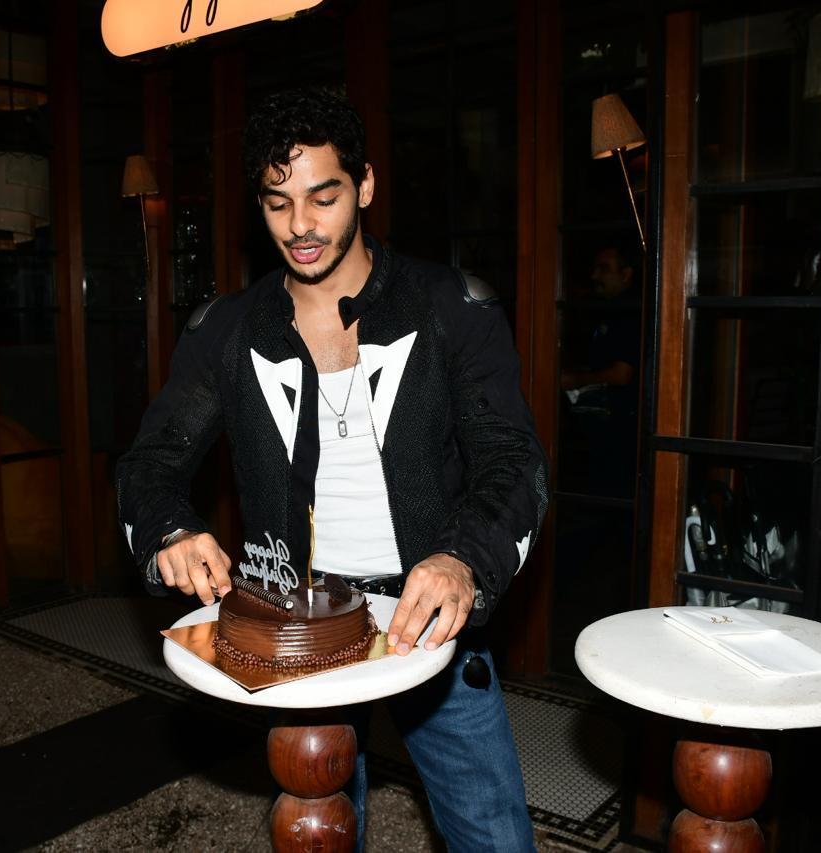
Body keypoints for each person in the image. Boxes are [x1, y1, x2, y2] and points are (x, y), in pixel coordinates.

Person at [116, 86, 546, 852]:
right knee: (315, 832)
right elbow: (149, 464)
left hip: (427, 617)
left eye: (324, 196)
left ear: (366, 185)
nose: (302, 227)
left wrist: (461, 559)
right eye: (278, 203)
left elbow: (515, 463)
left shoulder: (451, 306)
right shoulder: (227, 331)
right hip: (296, 619)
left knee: (496, 838)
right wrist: (172, 528)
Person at [560, 245, 641, 498]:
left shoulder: (630, 313)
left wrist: (575, 379)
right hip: (605, 429)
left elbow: (621, 374)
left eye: (604, 269)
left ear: (626, 274)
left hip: (622, 431)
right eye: (595, 269)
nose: (595, 276)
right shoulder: (610, 311)